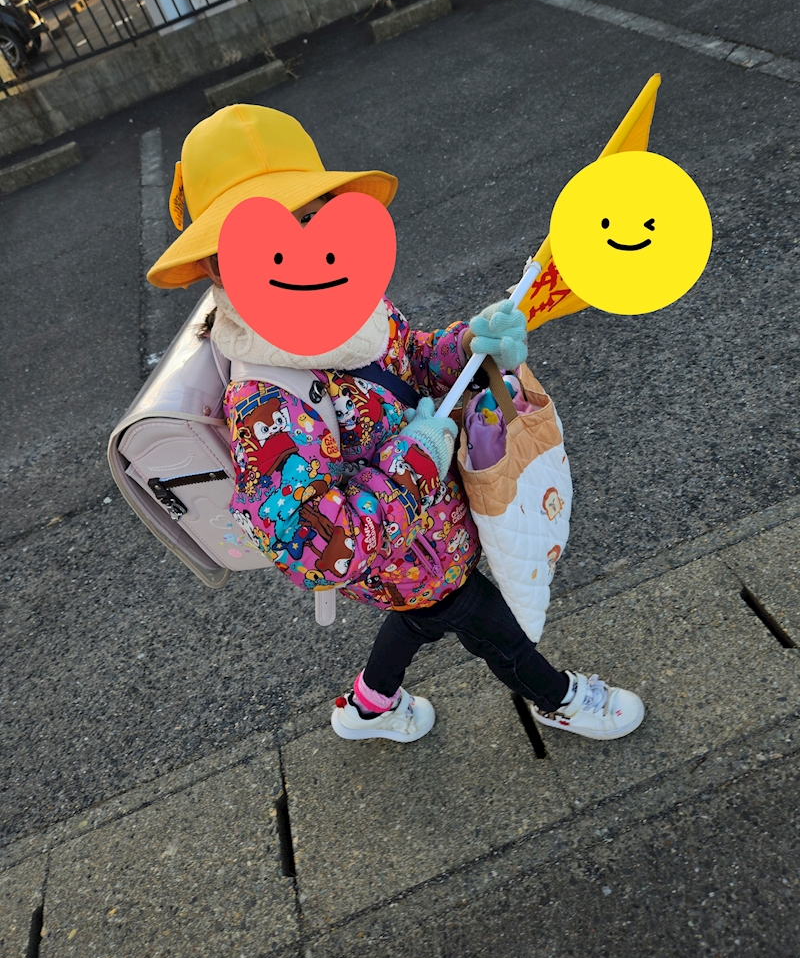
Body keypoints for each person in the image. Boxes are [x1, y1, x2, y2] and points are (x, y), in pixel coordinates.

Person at [147, 104, 645, 745]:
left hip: (432, 529)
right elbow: (319, 546)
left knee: (418, 620)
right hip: (407, 553)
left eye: (311, 217)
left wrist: (469, 347)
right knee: (487, 622)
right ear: (218, 265)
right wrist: (416, 459)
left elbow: (410, 358)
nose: (304, 248)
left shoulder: (356, 304)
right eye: (266, 236)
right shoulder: (265, 402)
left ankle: (369, 705)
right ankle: (560, 699)